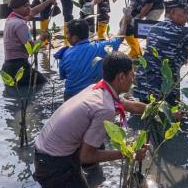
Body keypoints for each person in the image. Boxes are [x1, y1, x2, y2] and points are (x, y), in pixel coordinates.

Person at [33, 51, 148, 188]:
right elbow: (86, 157)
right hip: (54, 164)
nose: (133, 79)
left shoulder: (99, 87)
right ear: (121, 77)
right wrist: (130, 154)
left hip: (45, 153)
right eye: (132, 75)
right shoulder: (106, 108)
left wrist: (163, 110)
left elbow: (132, 106)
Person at [56, 11, 130, 101]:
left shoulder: (65, 54)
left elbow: (62, 76)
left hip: (70, 98)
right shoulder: (100, 48)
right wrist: (125, 19)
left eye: (68, 34)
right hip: (93, 96)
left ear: (75, 37)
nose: (66, 36)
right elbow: (120, 37)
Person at [2, 0, 57, 86]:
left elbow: (33, 11)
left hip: (8, 67)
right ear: (16, 8)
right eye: (25, 6)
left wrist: (49, 1)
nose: (28, 8)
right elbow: (31, 49)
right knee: (44, 84)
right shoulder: (21, 24)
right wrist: (41, 38)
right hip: (18, 66)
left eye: (28, 5)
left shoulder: (10, 19)